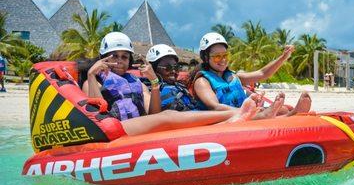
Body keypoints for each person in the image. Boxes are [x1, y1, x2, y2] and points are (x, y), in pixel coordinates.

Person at [82, 32, 258, 136]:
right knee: (168, 115)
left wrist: (154, 83)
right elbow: (98, 116)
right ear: (103, 57)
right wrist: (91, 74)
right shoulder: (94, 81)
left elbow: (154, 113)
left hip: (140, 127)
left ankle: (241, 116)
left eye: (124, 56)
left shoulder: (136, 82)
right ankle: (236, 114)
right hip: (117, 129)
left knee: (167, 116)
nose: (120, 61)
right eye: (114, 56)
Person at [188, 32, 311, 116]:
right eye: (217, 57)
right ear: (205, 57)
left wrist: (283, 57)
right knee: (270, 112)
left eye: (225, 55)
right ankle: (290, 115)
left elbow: (262, 73)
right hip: (226, 119)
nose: (223, 60)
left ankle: (289, 113)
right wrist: (243, 111)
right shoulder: (202, 81)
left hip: (245, 113)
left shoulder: (233, 76)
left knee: (283, 109)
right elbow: (215, 107)